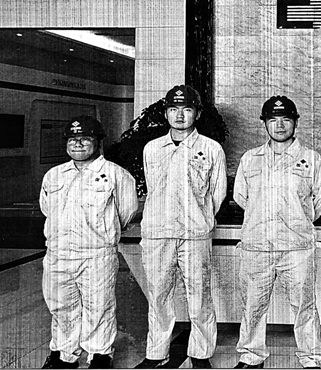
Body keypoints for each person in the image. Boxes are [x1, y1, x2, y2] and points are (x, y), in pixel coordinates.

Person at [233, 96, 321, 369]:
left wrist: (297, 221)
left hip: (296, 247)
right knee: (252, 305)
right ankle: (251, 356)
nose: (279, 125)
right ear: (264, 123)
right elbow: (241, 197)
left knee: (304, 305)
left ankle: (311, 358)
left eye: (286, 120)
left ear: (295, 123)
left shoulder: (311, 159)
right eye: (273, 120)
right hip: (256, 245)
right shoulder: (250, 159)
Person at [136, 85, 227, 369]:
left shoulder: (211, 149)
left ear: (197, 114)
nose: (179, 115)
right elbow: (152, 187)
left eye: (186, 109)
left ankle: (200, 354)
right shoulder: (152, 149)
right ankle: (157, 354)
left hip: (194, 234)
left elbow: (218, 193)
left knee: (199, 296)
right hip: (158, 233)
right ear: (166, 113)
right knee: (158, 296)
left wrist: (199, 219)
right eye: (173, 109)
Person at [40, 116, 138, 369]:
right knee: (60, 307)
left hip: (96, 254)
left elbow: (126, 212)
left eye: (85, 139)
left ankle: (100, 355)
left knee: (99, 306)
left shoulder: (116, 174)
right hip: (58, 254)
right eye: (72, 139)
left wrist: (103, 233)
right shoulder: (53, 175)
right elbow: (47, 209)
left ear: (98, 142)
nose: (78, 144)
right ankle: (64, 354)